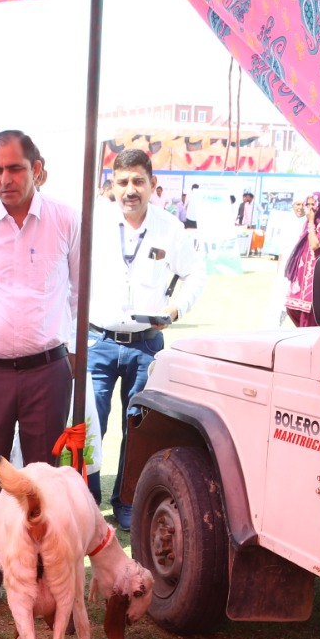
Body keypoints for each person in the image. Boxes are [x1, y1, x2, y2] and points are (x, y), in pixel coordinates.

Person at [0, 129, 79, 618]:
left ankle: (44, 578)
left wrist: (59, 344)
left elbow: (77, 290)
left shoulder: (65, 220)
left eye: (15, 168)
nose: (4, 179)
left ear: (37, 169)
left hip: (47, 371)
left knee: (45, 479)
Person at [86, 148, 203, 531]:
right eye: (122, 182)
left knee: (138, 429)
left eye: (138, 181)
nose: (130, 190)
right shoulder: (96, 223)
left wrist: (175, 310)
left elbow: (195, 274)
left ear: (153, 184)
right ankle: (85, 500)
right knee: (90, 425)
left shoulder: (170, 228)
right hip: (98, 342)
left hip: (146, 344)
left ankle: (126, 501)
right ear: (112, 185)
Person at [284, 191, 320, 327]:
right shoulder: (306, 222)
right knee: (292, 307)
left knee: (308, 312)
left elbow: (315, 245)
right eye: (309, 204)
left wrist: (311, 222)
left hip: (315, 272)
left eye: (314, 204)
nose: (311, 208)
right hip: (301, 271)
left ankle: (309, 335)